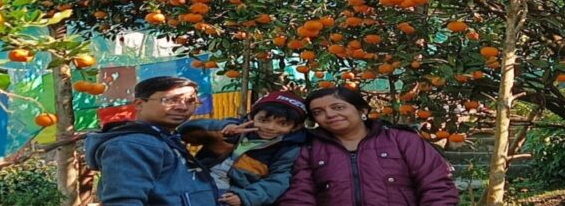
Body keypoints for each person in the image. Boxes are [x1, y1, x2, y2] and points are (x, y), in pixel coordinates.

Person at [279, 86, 459, 206]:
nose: (330, 114)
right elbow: (299, 195)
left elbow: (436, 186)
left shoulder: (402, 140)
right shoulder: (309, 148)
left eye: (338, 107)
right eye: (318, 112)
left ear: (362, 110)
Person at [84, 75, 219, 206]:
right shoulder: (132, 145)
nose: (183, 107)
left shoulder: (164, 139)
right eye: (170, 100)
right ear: (139, 104)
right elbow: (124, 201)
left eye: (190, 101)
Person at [179, 90, 308, 206]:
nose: (270, 127)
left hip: (231, 193)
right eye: (263, 120)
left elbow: (278, 180)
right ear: (251, 117)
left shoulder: (287, 150)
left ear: (295, 127)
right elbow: (185, 132)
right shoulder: (234, 128)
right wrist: (222, 128)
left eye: (283, 123)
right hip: (196, 179)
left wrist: (246, 197)